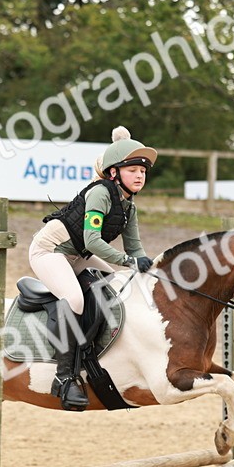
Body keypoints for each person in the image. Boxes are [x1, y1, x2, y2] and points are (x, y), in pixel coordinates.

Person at [30, 126, 157, 410]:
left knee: (116, 282)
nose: (140, 175)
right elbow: (93, 241)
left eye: (143, 171)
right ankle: (64, 377)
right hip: (49, 251)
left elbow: (135, 249)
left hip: (77, 255)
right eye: (133, 170)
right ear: (113, 173)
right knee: (74, 299)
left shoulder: (129, 206)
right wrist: (129, 262)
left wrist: (151, 267)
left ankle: (94, 351)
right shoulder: (100, 193)